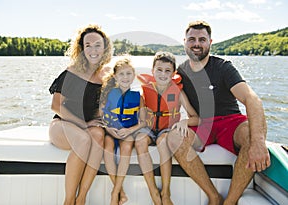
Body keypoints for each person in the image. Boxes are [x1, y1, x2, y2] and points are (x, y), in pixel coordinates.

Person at [167, 20, 271, 205]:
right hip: (201, 124)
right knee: (173, 138)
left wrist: (258, 142)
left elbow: (252, 99)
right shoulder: (180, 71)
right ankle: (214, 197)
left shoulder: (223, 67)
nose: (196, 43)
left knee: (251, 135)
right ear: (184, 42)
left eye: (202, 39)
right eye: (192, 39)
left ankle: (229, 202)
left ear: (210, 42)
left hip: (230, 122)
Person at [48, 24, 112, 205]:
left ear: (105, 47)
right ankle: (69, 201)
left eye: (97, 45)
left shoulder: (107, 75)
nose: (93, 50)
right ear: (82, 49)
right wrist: (84, 124)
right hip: (62, 123)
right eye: (88, 45)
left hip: (89, 125)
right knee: (84, 139)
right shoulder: (72, 72)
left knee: (98, 135)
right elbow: (55, 105)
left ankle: (81, 197)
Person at [135, 51, 200, 205]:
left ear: (173, 73)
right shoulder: (144, 90)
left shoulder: (178, 92)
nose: (163, 74)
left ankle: (166, 192)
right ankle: (153, 191)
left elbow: (197, 118)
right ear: (152, 71)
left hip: (166, 130)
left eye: (167, 71)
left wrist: (185, 121)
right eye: (159, 70)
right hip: (149, 129)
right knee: (139, 142)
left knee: (162, 143)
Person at [100, 57, 147, 205]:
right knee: (108, 147)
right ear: (115, 76)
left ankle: (115, 193)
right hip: (111, 131)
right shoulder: (109, 94)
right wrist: (109, 129)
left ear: (133, 76)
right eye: (121, 74)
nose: (125, 77)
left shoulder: (138, 97)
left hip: (128, 132)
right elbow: (100, 117)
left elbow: (144, 122)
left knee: (127, 146)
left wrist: (130, 130)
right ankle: (120, 191)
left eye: (128, 74)